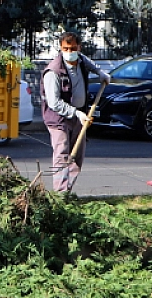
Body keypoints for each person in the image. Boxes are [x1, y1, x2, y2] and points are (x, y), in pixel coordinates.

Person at [41, 31, 111, 193]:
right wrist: (77, 113)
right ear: (60, 48)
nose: (69, 52)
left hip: (80, 116)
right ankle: (60, 194)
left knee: (77, 156)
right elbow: (54, 102)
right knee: (62, 154)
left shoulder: (80, 61)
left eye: (73, 48)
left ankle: (67, 189)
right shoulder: (53, 72)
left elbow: (88, 62)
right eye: (65, 49)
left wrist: (100, 73)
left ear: (79, 47)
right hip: (58, 119)